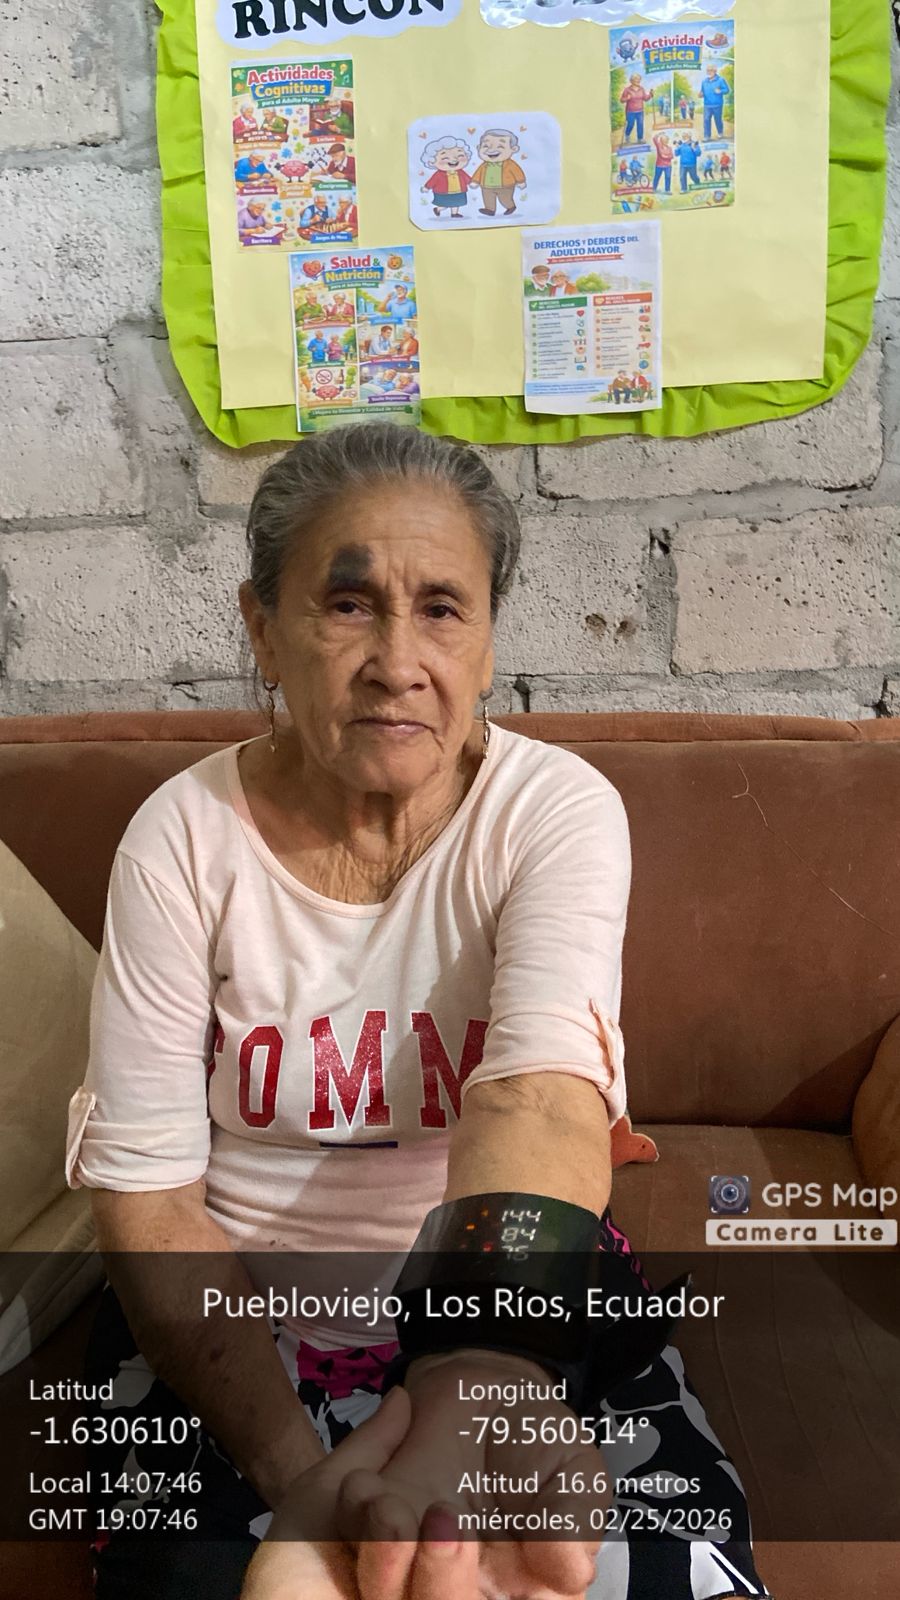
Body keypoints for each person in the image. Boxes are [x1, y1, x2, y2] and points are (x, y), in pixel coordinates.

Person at [66, 425, 773, 1600]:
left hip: (503, 1288)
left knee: (667, 1570)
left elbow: (538, 1097)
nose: (398, 661)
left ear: (488, 643)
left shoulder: (552, 813)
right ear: (263, 630)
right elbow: (150, 1200)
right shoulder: (181, 841)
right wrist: (309, 1481)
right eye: (348, 604)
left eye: (442, 608)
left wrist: (482, 1375)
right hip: (241, 1311)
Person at [470, 128, 527, 217]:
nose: (491, 150)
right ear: (478, 148)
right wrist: (475, 181)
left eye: (500, 146)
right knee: (488, 198)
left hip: (505, 186)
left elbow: (517, 172)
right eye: (486, 146)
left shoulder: (510, 164)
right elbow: (478, 174)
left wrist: (521, 181)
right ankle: (489, 209)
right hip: (486, 186)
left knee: (505, 198)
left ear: (513, 149)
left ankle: (510, 206)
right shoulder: (484, 165)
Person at [420, 135, 473, 219]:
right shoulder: (438, 174)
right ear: (432, 161)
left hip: (459, 191)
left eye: (459, 155)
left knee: (457, 203)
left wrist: (471, 183)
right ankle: (438, 209)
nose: (454, 159)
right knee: (445, 204)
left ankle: (454, 213)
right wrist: (427, 187)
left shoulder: (460, 172)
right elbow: (432, 181)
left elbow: (467, 178)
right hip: (443, 192)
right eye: (445, 158)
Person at [620, 74, 652, 143]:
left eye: (639, 79)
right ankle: (627, 135)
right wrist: (627, 98)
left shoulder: (641, 89)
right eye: (636, 79)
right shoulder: (627, 90)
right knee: (630, 124)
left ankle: (640, 139)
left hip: (640, 111)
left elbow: (645, 98)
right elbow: (621, 100)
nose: (638, 81)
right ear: (631, 80)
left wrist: (650, 95)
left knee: (640, 124)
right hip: (630, 111)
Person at [701, 64, 731, 140]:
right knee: (706, 120)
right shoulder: (704, 81)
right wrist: (701, 94)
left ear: (715, 71)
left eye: (711, 70)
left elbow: (727, 90)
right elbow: (702, 92)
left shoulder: (720, 80)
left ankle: (720, 132)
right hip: (707, 105)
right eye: (707, 70)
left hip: (717, 104)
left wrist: (720, 91)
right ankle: (707, 136)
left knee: (717, 120)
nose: (709, 72)